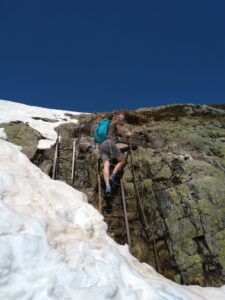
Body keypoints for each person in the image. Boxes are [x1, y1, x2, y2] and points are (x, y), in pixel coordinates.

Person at [98, 113, 132, 194]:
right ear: (119, 119)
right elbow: (123, 133)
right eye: (123, 120)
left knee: (106, 164)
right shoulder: (115, 123)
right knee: (121, 160)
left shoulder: (107, 124)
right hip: (109, 142)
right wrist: (129, 134)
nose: (123, 122)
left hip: (101, 145)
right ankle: (112, 176)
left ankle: (107, 186)